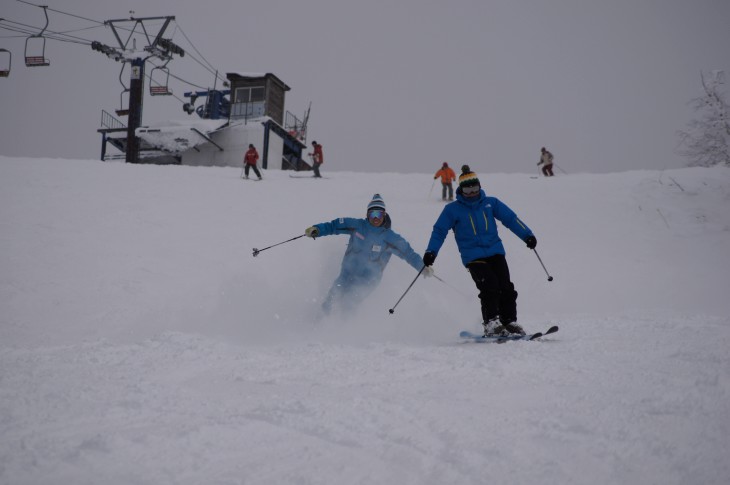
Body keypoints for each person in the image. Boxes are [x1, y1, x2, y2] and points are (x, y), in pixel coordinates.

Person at [422, 166, 537, 337]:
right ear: (461, 189)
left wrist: (527, 235)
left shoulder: (491, 203)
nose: (472, 193)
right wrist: (431, 252)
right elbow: (439, 231)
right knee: (489, 285)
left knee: (505, 286)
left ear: (479, 187)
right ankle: (491, 323)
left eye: (475, 188)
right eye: (467, 189)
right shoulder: (452, 210)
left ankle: (509, 322)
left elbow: (511, 219)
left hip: (495, 251)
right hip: (473, 256)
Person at [305, 193, 432, 313]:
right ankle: (319, 323)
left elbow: (408, 253)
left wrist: (423, 267)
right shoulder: (357, 225)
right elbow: (334, 225)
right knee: (331, 297)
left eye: (379, 214)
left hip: (368, 280)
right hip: (347, 273)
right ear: (367, 214)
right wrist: (317, 229)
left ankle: (345, 329)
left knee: (350, 302)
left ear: (384, 215)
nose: (376, 218)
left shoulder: (390, 238)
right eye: (372, 214)